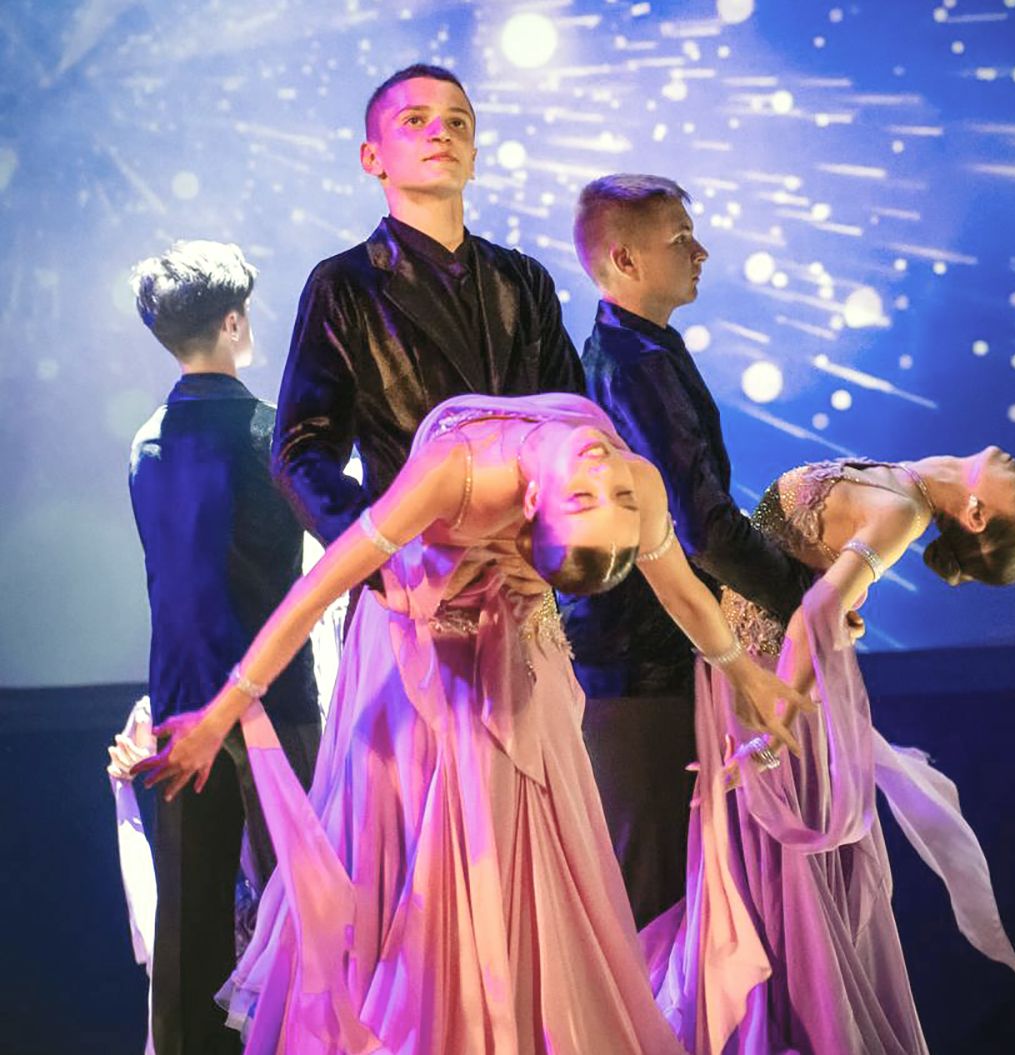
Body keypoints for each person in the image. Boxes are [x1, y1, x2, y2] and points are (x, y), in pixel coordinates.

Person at [133, 392, 808, 1055]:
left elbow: (682, 594)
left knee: (530, 850)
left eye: (605, 501)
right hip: (420, 650)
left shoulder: (617, 483)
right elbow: (322, 586)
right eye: (600, 498)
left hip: (518, 653)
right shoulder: (455, 470)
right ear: (532, 502)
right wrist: (223, 711)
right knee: (426, 855)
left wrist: (745, 674)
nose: (607, 476)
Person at [642, 449, 1015, 1054]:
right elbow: (816, 591)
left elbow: (815, 616)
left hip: (765, 686)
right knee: (749, 884)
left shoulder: (903, 513)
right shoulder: (902, 483)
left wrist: (771, 738)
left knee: (765, 891)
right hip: (751, 670)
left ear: (975, 515)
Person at [563, 174, 817, 926]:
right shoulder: (635, 363)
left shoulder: (640, 351)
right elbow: (701, 525)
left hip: (655, 658)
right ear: (625, 259)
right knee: (658, 902)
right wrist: (808, 597)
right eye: (681, 239)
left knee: (676, 893)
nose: (700, 251)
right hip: (639, 664)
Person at [126, 240, 322, 1055]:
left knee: (190, 919)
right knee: (301, 907)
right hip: (272, 696)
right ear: (235, 321)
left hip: (181, 704)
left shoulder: (146, 440)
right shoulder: (273, 436)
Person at [272, 63, 583, 549]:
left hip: (527, 569)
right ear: (372, 157)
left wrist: (554, 543)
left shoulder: (524, 280)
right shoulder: (345, 284)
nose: (441, 132)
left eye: (458, 122)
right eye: (415, 120)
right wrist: (386, 554)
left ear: (473, 159)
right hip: (416, 573)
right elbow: (301, 452)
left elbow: (574, 425)